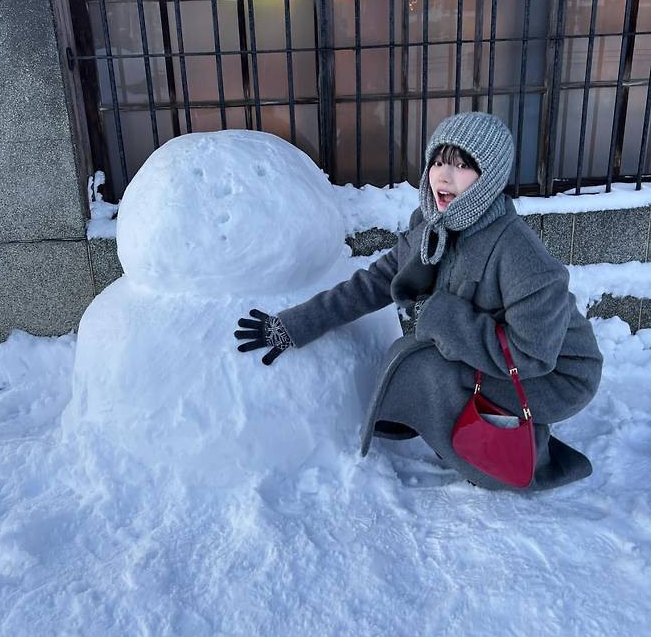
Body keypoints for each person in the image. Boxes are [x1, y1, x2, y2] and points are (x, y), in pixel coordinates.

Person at [235, 112, 603, 490]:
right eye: (439, 161)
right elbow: (373, 283)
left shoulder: (518, 254)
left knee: (432, 369)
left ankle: (506, 461)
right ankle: (466, 420)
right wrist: (294, 325)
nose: (444, 175)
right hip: (514, 358)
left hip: (558, 374)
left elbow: (533, 355)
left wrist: (446, 319)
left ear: (489, 179)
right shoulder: (430, 228)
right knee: (423, 356)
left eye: (462, 166)